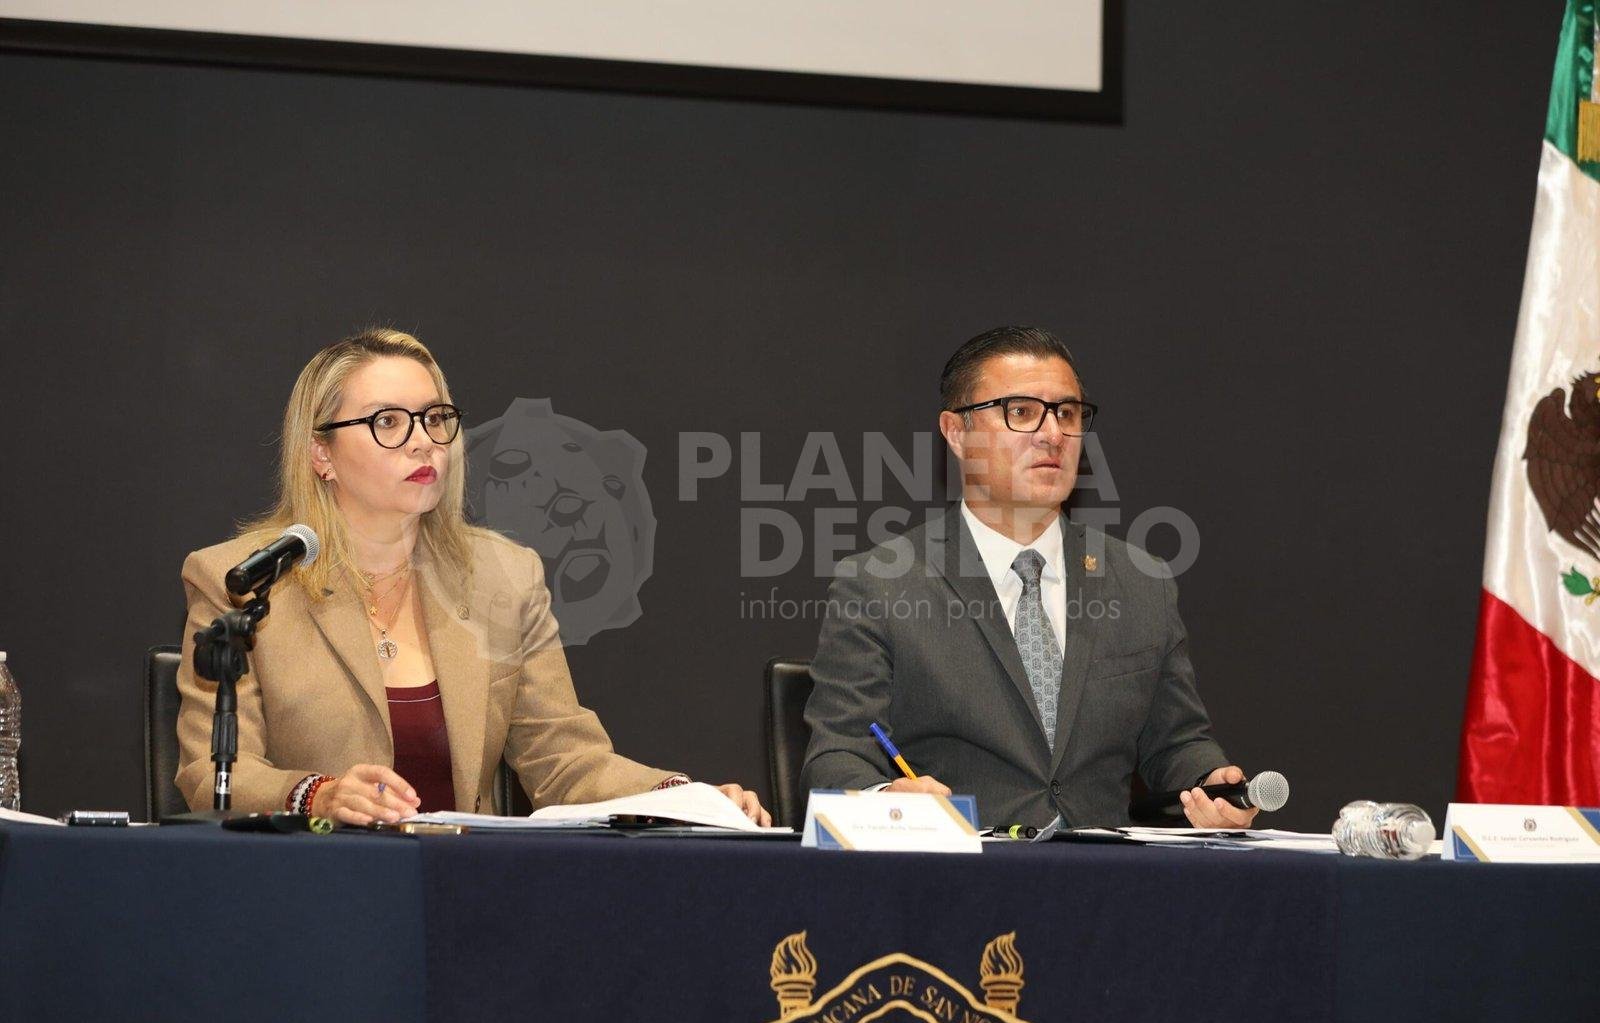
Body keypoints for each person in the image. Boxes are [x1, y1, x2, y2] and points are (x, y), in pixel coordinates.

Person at [175, 328, 770, 826]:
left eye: (436, 419)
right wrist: (318, 796)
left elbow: (563, 759)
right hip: (314, 885)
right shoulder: (244, 582)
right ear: (320, 454)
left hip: (463, 888)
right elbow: (211, 774)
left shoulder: (504, 578)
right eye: (388, 422)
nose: (423, 443)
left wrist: (682, 797)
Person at [800, 326, 1256, 830]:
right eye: (1020, 412)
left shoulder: (1141, 581)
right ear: (956, 433)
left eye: (1067, 413)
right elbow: (837, 757)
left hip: (1107, 873)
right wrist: (887, 798)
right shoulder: (880, 584)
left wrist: (1213, 783)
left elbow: (1177, 743)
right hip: (959, 868)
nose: (1053, 434)